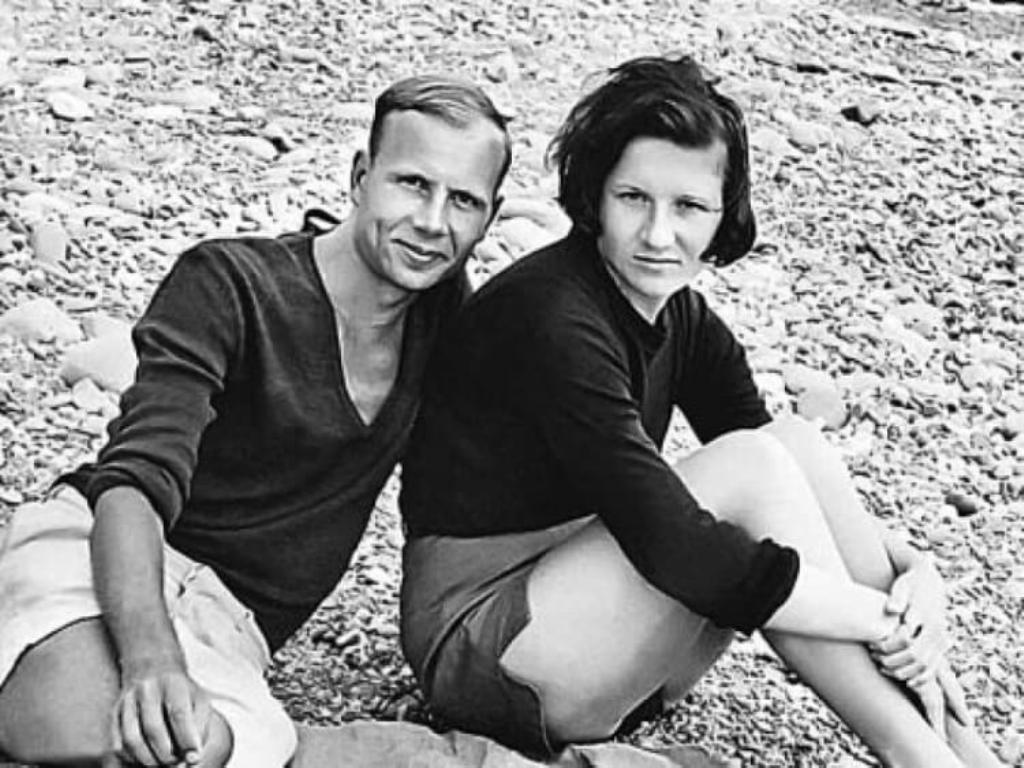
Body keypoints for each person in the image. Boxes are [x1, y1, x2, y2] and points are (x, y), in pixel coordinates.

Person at [398, 56, 1001, 768]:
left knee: (790, 441)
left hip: (602, 639)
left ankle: (958, 744)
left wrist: (915, 575)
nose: (658, 235)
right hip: (489, 655)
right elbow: (677, 546)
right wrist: (884, 620)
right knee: (750, 464)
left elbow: (794, 489)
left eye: (688, 207)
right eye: (633, 199)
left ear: (722, 216)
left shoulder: (679, 316)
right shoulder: (553, 316)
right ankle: (918, 755)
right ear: (595, 196)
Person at [0, 74, 510, 768]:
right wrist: (152, 660)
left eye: (463, 201)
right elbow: (134, 481)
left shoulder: (446, 324)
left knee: (193, 749)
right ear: (361, 176)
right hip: (102, 556)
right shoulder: (231, 283)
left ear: (490, 216)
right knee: (113, 731)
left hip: (227, 631)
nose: (432, 221)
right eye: (413, 184)